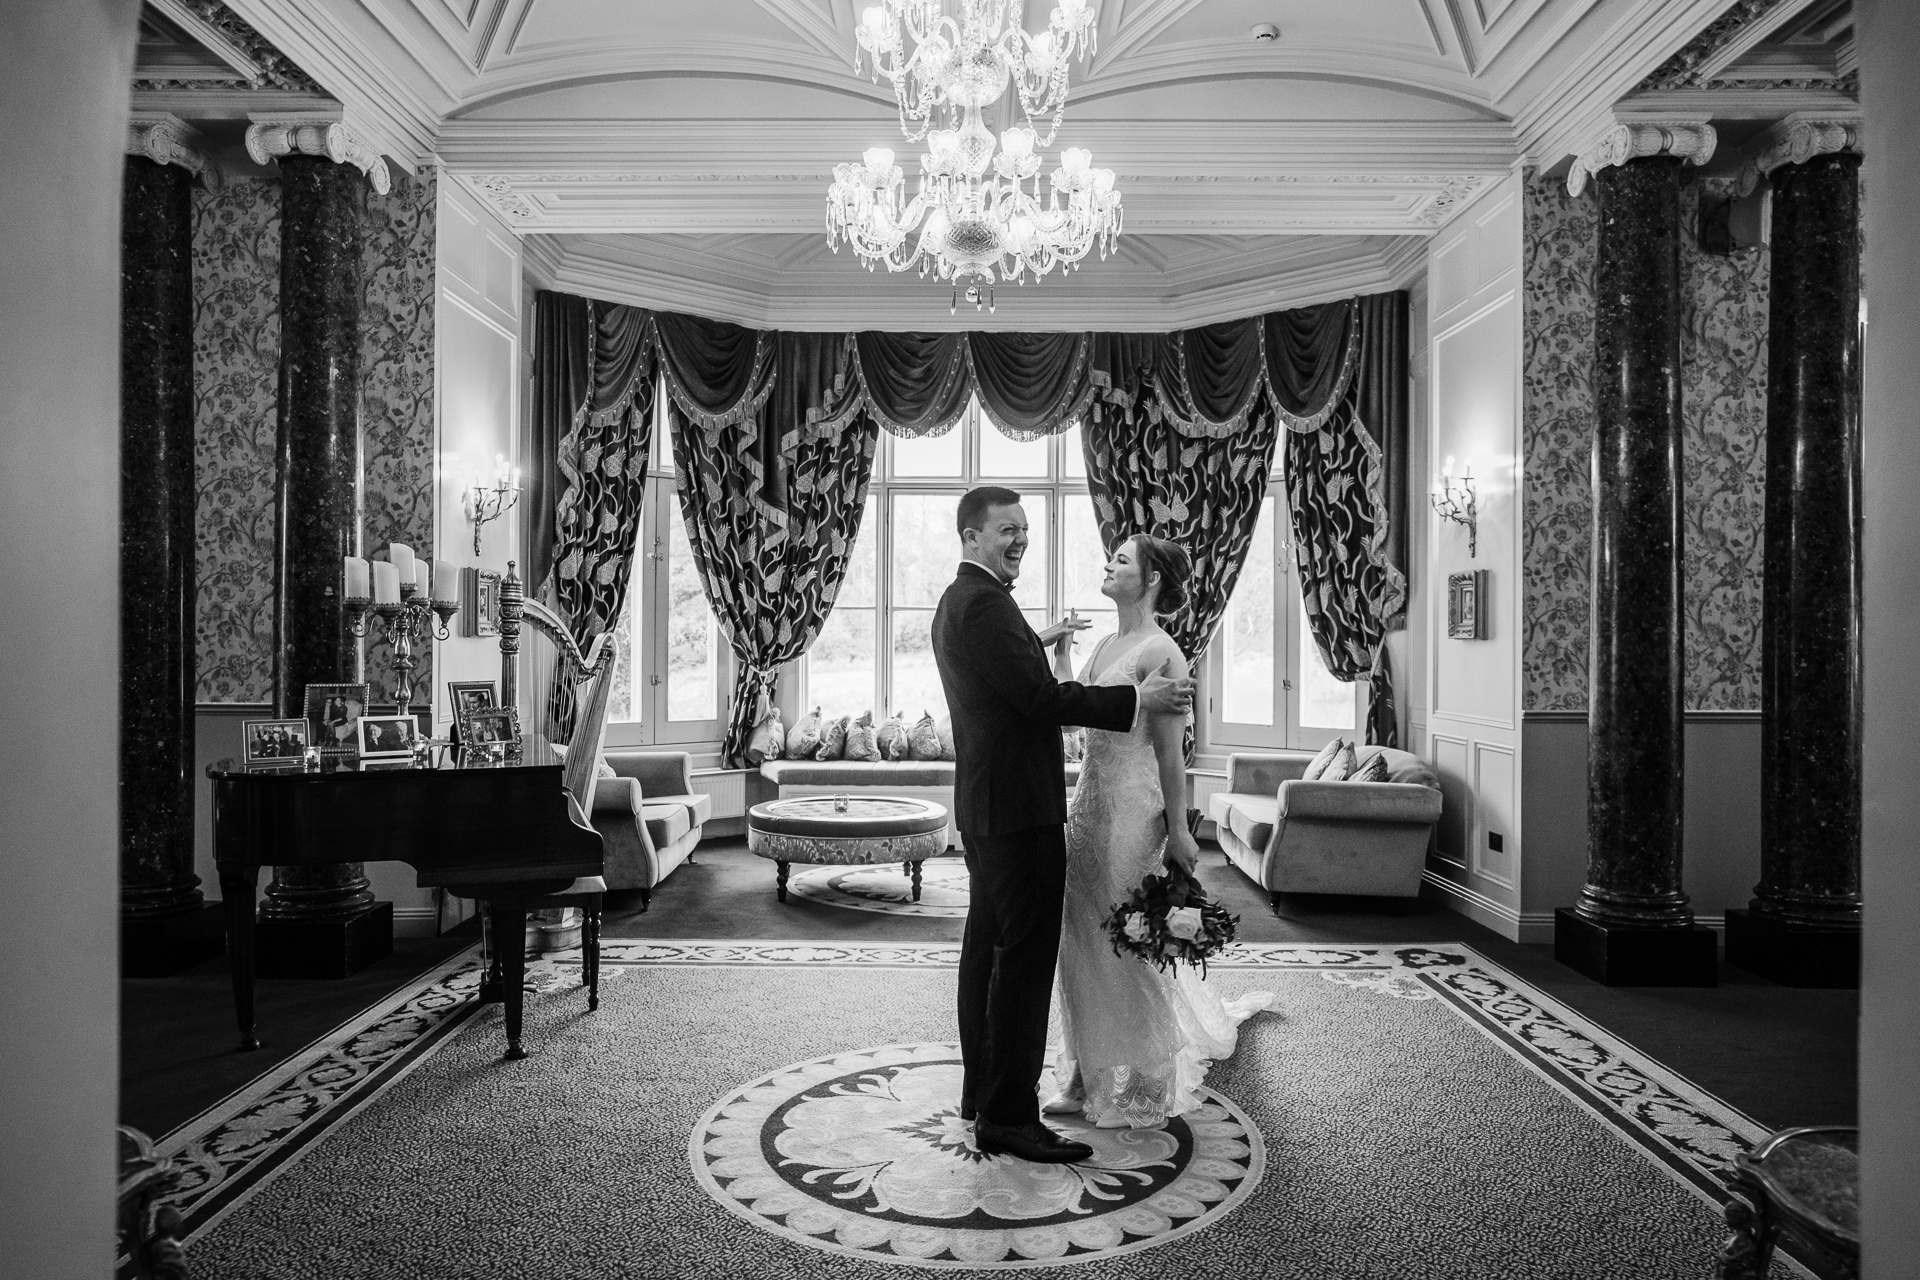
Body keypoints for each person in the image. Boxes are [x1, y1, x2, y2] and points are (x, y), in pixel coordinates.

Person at [932, 487, 1196, 1165]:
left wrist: (1037, 642)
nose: (1019, 538)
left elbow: (1021, 682)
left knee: (990, 954)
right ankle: (1010, 1118)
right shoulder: (985, 603)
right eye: (1004, 530)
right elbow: (1039, 699)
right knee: (1020, 963)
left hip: (1004, 808)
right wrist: (1139, 696)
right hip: (1020, 812)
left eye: (1024, 528)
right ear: (971, 537)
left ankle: (984, 1095)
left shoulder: (966, 600)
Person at [1046, 534, 1276, 1128]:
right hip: (1087, 811)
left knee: (1126, 943)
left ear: (1150, 579)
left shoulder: (1163, 652)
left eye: (1121, 559)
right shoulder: (1106, 645)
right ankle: (1082, 1072)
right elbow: (1079, 717)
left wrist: (1181, 830)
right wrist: (1064, 655)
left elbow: (1173, 757)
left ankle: (1149, 1081)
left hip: (1131, 815)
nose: (1108, 563)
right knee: (1080, 943)